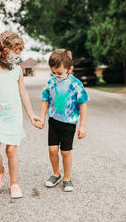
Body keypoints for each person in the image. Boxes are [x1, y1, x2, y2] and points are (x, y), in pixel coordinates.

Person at [0, 30, 41, 198]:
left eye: (20, 50)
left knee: (11, 151)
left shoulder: (17, 70)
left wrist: (31, 115)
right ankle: (0, 172)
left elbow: (23, 94)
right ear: (4, 49)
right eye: (17, 50)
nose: (19, 54)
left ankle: (14, 183)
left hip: (13, 115)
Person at [36, 49, 89, 192]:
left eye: (59, 73)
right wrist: (41, 117)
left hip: (69, 123)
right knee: (52, 150)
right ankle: (56, 174)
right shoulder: (50, 83)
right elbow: (44, 100)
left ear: (70, 69)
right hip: (53, 121)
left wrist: (82, 126)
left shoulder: (76, 84)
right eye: (53, 72)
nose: (56, 75)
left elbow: (83, 105)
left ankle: (67, 178)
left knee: (65, 152)